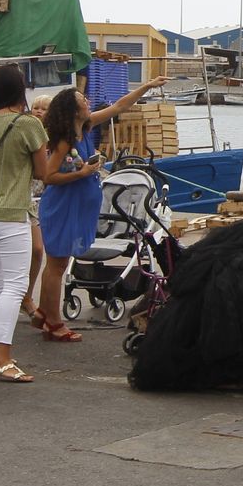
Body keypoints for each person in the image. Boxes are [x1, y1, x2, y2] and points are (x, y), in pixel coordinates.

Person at [34, 76, 168, 341]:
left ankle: (43, 314)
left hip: (76, 206)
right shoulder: (64, 140)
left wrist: (146, 86)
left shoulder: (85, 128)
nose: (88, 101)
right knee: (57, 265)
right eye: (83, 100)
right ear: (73, 110)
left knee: (57, 264)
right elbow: (47, 176)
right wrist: (83, 172)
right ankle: (54, 323)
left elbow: (119, 106)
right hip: (63, 207)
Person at [0, 64, 50, 382]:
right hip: (11, 214)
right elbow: (42, 173)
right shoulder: (29, 124)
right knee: (15, 286)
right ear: (21, 89)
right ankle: (2, 358)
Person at [19, 93, 53, 320]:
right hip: (26, 198)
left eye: (44, 108)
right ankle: (25, 297)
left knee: (41, 253)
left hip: (47, 200)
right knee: (35, 249)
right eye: (35, 107)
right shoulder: (27, 133)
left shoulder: (55, 138)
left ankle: (28, 295)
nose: (39, 111)